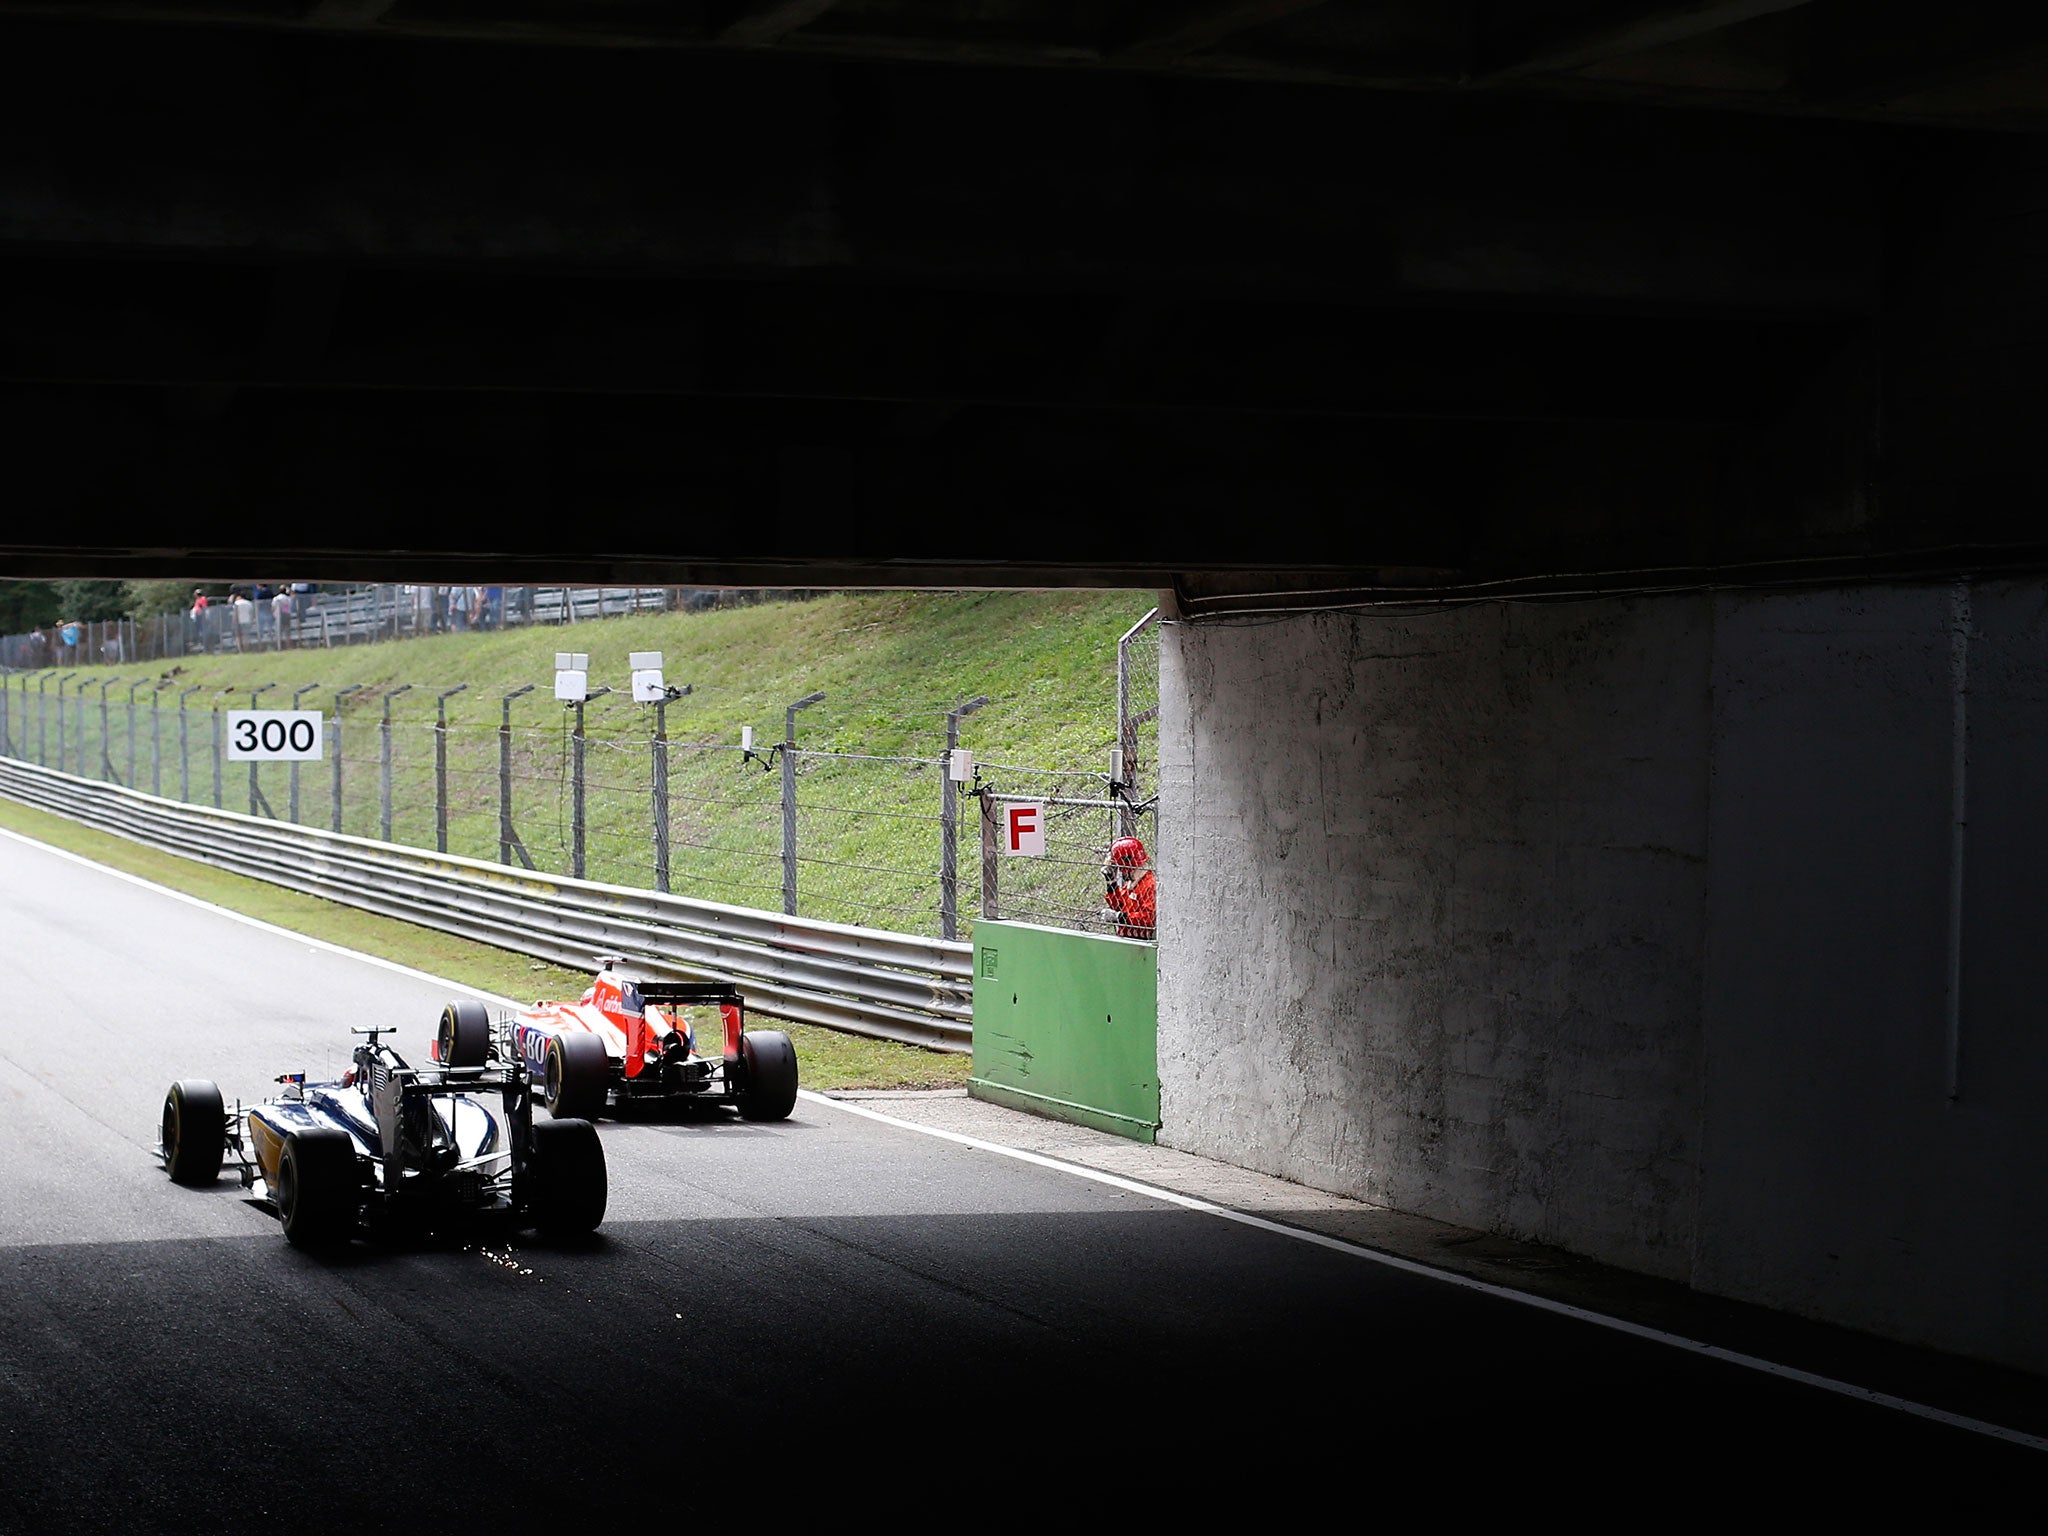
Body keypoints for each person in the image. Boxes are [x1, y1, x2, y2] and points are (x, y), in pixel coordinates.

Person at [1102, 835, 1156, 940]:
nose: (1119, 871)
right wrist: (1111, 882)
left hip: (1143, 942)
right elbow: (1119, 905)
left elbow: (1148, 919)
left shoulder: (1150, 885)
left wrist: (1119, 917)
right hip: (1128, 938)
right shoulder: (1132, 882)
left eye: (1119, 867)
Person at [270, 584, 294, 648]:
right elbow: (290, 606)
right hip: (286, 615)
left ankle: (278, 646)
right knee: (287, 632)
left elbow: (273, 607)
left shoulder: (276, 598)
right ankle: (288, 646)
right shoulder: (288, 598)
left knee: (278, 631)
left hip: (278, 616)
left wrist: (273, 614)